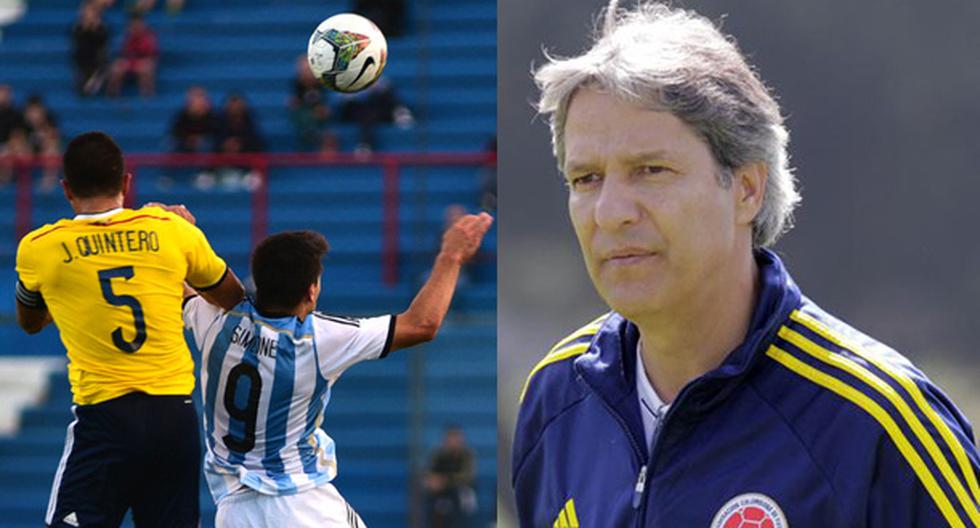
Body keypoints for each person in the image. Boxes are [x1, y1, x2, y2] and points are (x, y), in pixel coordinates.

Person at [511, 2, 980, 527]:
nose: (612, 212)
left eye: (651, 170)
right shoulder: (555, 397)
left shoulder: (879, 425)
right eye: (586, 179)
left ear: (747, 189)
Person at [183, 215, 492, 527]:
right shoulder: (318, 340)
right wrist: (450, 257)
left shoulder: (213, 319)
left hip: (234, 510)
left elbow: (181, 287)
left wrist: (173, 230)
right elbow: (422, 324)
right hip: (301, 504)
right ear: (311, 292)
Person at [14, 131, 245, 527]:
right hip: (175, 417)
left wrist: (72, 291)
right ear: (126, 183)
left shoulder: (40, 248)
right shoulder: (172, 230)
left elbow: (30, 322)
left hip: (105, 420)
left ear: (66, 189)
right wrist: (176, 261)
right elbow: (232, 296)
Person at [424, 425, 477, 528]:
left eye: (457, 438)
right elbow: (429, 474)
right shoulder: (438, 454)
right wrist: (432, 482)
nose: (454, 442)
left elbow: (468, 477)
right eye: (451, 438)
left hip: (461, 491)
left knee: (464, 498)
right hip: (442, 492)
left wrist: (445, 480)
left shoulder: (467, 454)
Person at [106, 14, 158, 97]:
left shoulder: (149, 36)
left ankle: (147, 97)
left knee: (146, 67)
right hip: (130, 61)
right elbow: (122, 53)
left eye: (138, 24)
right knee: (116, 67)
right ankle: (112, 96)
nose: (135, 27)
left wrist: (145, 61)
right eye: (133, 25)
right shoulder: (126, 37)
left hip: (144, 61)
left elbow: (153, 55)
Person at [71, 1, 110, 96]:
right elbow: (78, 43)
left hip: (97, 63)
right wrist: (86, 28)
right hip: (83, 63)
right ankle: (87, 82)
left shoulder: (102, 28)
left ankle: (96, 79)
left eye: (90, 12)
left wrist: (94, 28)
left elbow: (102, 42)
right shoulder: (77, 28)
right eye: (86, 12)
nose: (88, 15)